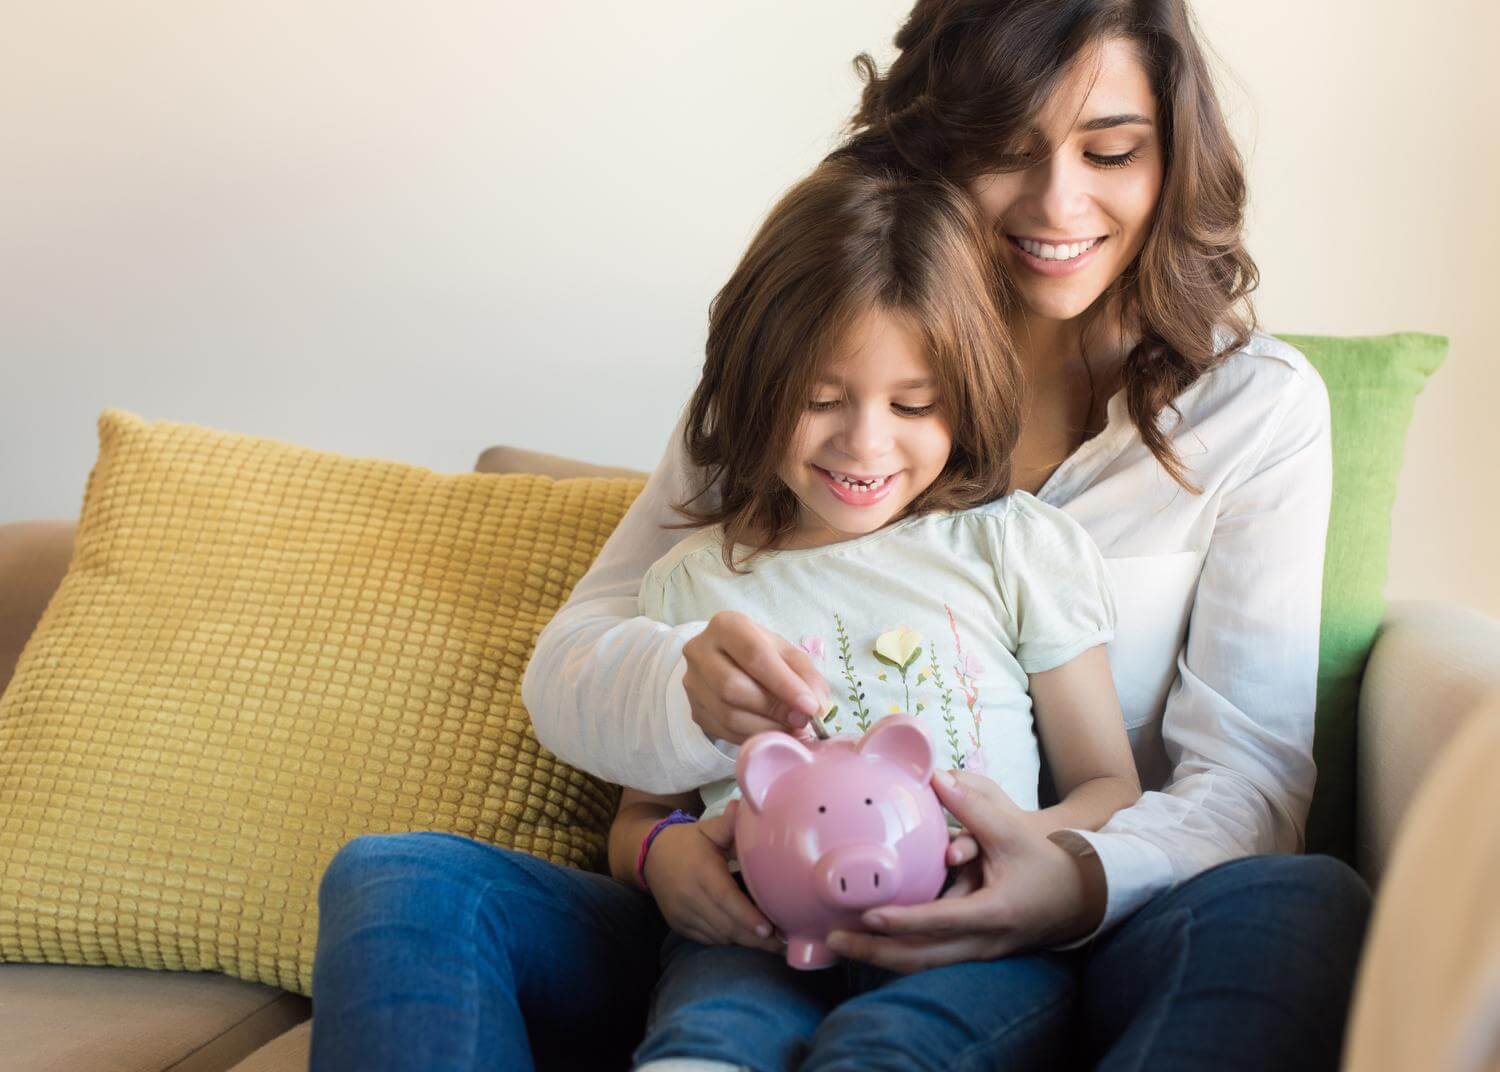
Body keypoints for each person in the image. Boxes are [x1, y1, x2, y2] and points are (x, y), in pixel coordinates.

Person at [312, 2, 1372, 1069]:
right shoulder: (789, 387)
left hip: (1083, 935)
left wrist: (1076, 878)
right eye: (1008, 148)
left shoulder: (1255, 412)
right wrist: (678, 759)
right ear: (931, 142)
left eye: (1111, 150)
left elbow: (1247, 783)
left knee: (1299, 902)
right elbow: (576, 668)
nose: (1060, 199)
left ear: (1173, 157)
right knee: (401, 880)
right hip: (753, 932)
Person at [611, 157, 1141, 1070]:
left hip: (967, 936)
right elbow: (639, 813)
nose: (864, 441)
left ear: (965, 397)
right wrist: (663, 858)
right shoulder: (690, 585)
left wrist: (1014, 845)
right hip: (755, 940)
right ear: (751, 387)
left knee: (892, 1048)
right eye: (819, 400)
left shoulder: (1011, 549)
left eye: (913, 404)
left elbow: (1110, 788)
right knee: (704, 1043)